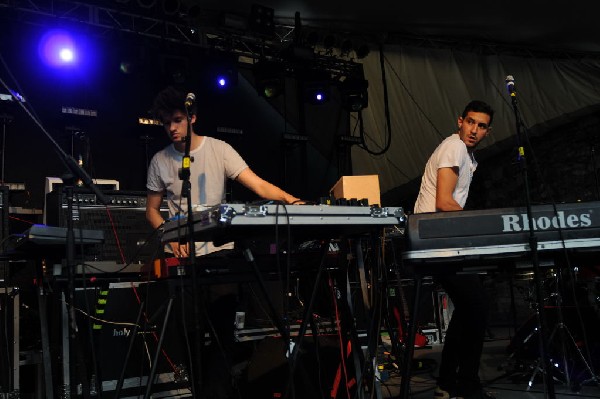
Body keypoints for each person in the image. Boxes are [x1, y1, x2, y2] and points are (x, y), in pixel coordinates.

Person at [145, 85, 302, 399]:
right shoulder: (160, 161)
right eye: (166, 123)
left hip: (219, 258)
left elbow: (256, 183)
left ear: (193, 117)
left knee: (222, 337)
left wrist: (291, 200)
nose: (171, 128)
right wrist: (169, 237)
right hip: (184, 260)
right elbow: (151, 210)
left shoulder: (220, 149)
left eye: (177, 120)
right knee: (189, 337)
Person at [413, 100, 495, 399]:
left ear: (488, 131)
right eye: (470, 122)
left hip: (438, 241)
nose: (474, 130)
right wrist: (481, 231)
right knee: (477, 305)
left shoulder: (466, 156)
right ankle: (466, 384)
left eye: (481, 126)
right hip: (434, 241)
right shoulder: (454, 148)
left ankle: (448, 383)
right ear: (460, 121)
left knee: (470, 307)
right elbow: (444, 202)